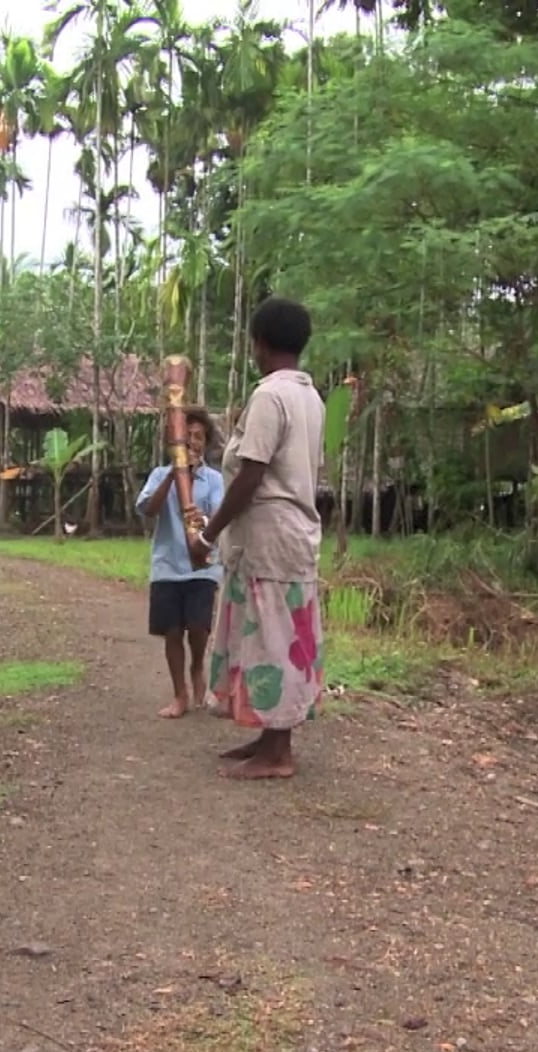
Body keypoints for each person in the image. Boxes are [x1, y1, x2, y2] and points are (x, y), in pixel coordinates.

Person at [189, 297, 326, 780]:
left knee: (271, 638)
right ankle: (270, 736)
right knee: (281, 635)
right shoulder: (310, 396)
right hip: (293, 534)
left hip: (271, 536)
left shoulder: (270, 396)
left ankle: (277, 752)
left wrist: (208, 532)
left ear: (260, 343)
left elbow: (252, 475)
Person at [136, 404, 225, 718]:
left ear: (205, 442)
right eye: (185, 435)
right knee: (172, 631)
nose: (192, 441)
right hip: (167, 567)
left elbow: (217, 516)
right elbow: (148, 509)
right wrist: (175, 475)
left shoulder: (213, 479)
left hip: (203, 566)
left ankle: (198, 666)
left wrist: (198, 525)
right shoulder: (160, 474)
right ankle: (179, 694)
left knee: (199, 627)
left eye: (198, 436)